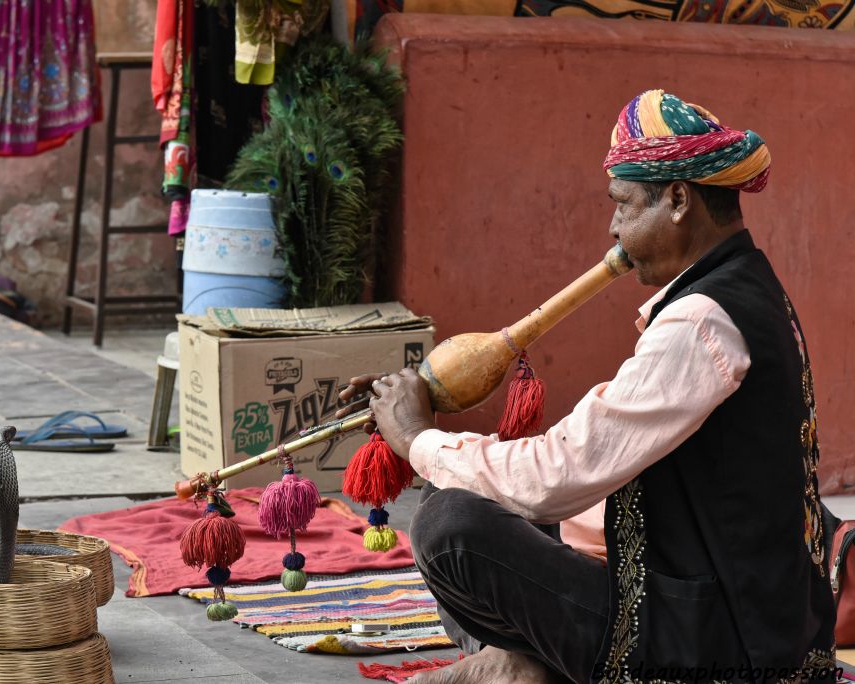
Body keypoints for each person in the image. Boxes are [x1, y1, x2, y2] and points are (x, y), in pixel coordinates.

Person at [338, 90, 836, 683]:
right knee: (496, 504)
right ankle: (516, 663)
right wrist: (430, 403)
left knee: (450, 528)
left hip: (718, 646)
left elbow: (560, 474)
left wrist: (417, 438)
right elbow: (585, 481)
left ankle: (518, 668)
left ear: (678, 200)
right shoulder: (745, 289)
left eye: (623, 206)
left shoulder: (702, 320)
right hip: (740, 618)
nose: (613, 226)